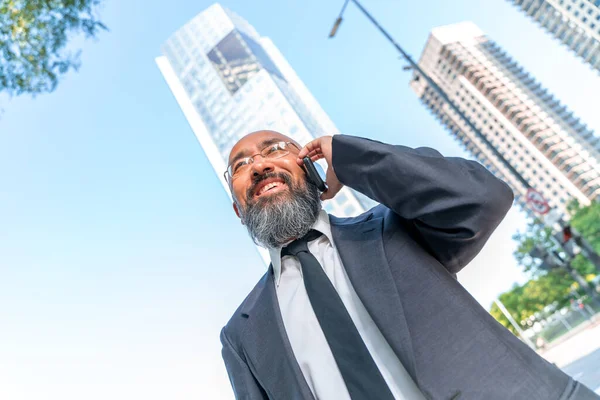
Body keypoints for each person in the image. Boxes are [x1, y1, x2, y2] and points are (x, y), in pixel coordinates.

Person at [220, 130, 598, 400]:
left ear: (312, 171)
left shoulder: (395, 226)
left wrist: (349, 155)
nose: (260, 165)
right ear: (237, 210)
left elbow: (482, 197)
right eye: (242, 165)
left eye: (276, 149)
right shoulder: (241, 335)